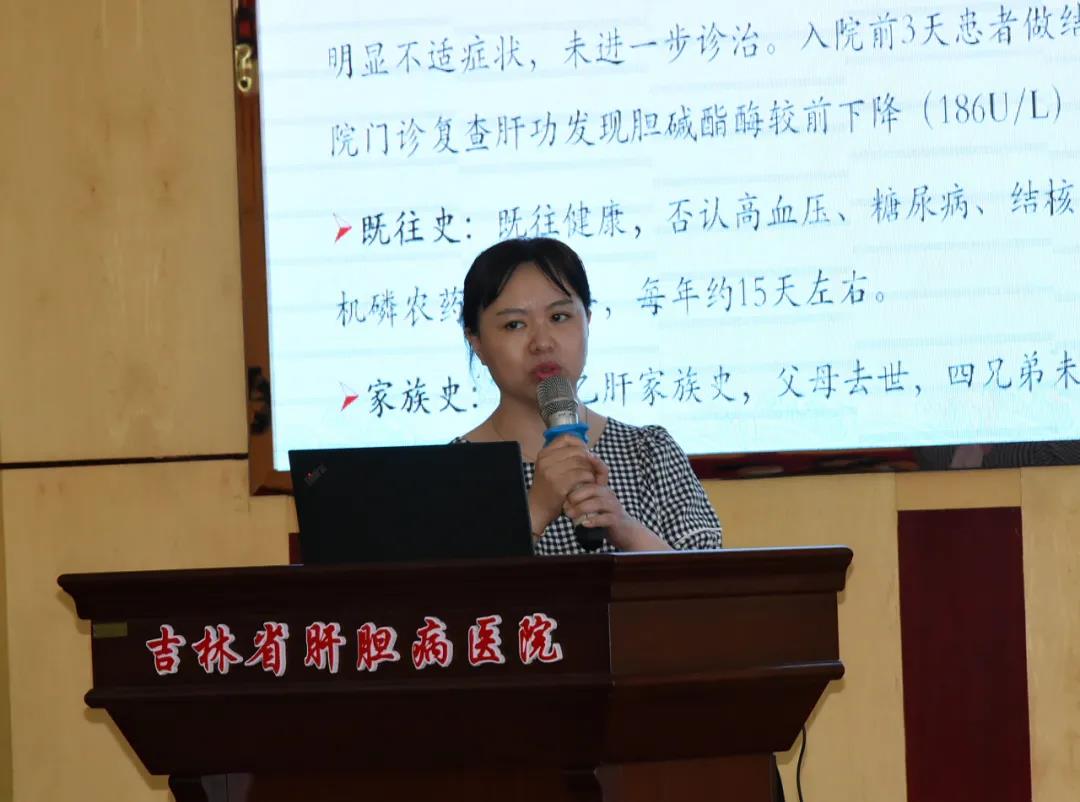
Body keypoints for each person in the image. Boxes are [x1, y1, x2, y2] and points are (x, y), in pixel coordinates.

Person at [456, 237, 723, 555]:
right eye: (514, 324)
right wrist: (535, 511)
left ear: (587, 321)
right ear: (476, 342)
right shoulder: (454, 471)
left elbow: (707, 581)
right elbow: (449, 587)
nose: (542, 343)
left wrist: (626, 529)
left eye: (559, 317)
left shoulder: (648, 454)